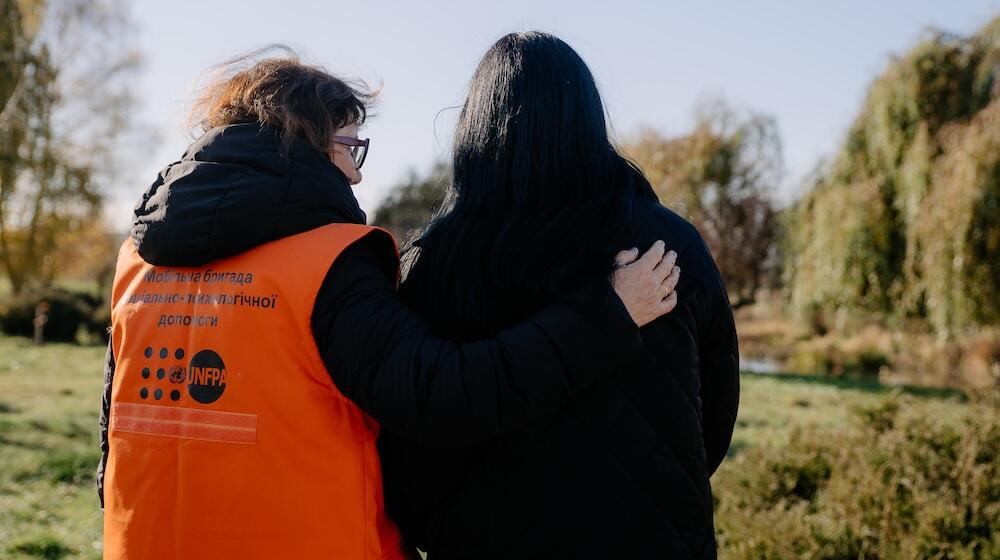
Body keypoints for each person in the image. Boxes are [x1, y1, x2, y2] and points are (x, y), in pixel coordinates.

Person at [97, 49, 680, 560]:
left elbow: (113, 431)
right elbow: (444, 396)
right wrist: (606, 317)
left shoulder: (138, 260)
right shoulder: (326, 264)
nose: (355, 174)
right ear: (309, 145)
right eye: (351, 146)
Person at [377, 32, 740, 559]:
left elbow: (415, 438)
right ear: (589, 121)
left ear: (474, 128)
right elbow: (714, 411)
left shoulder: (439, 263)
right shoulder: (667, 244)